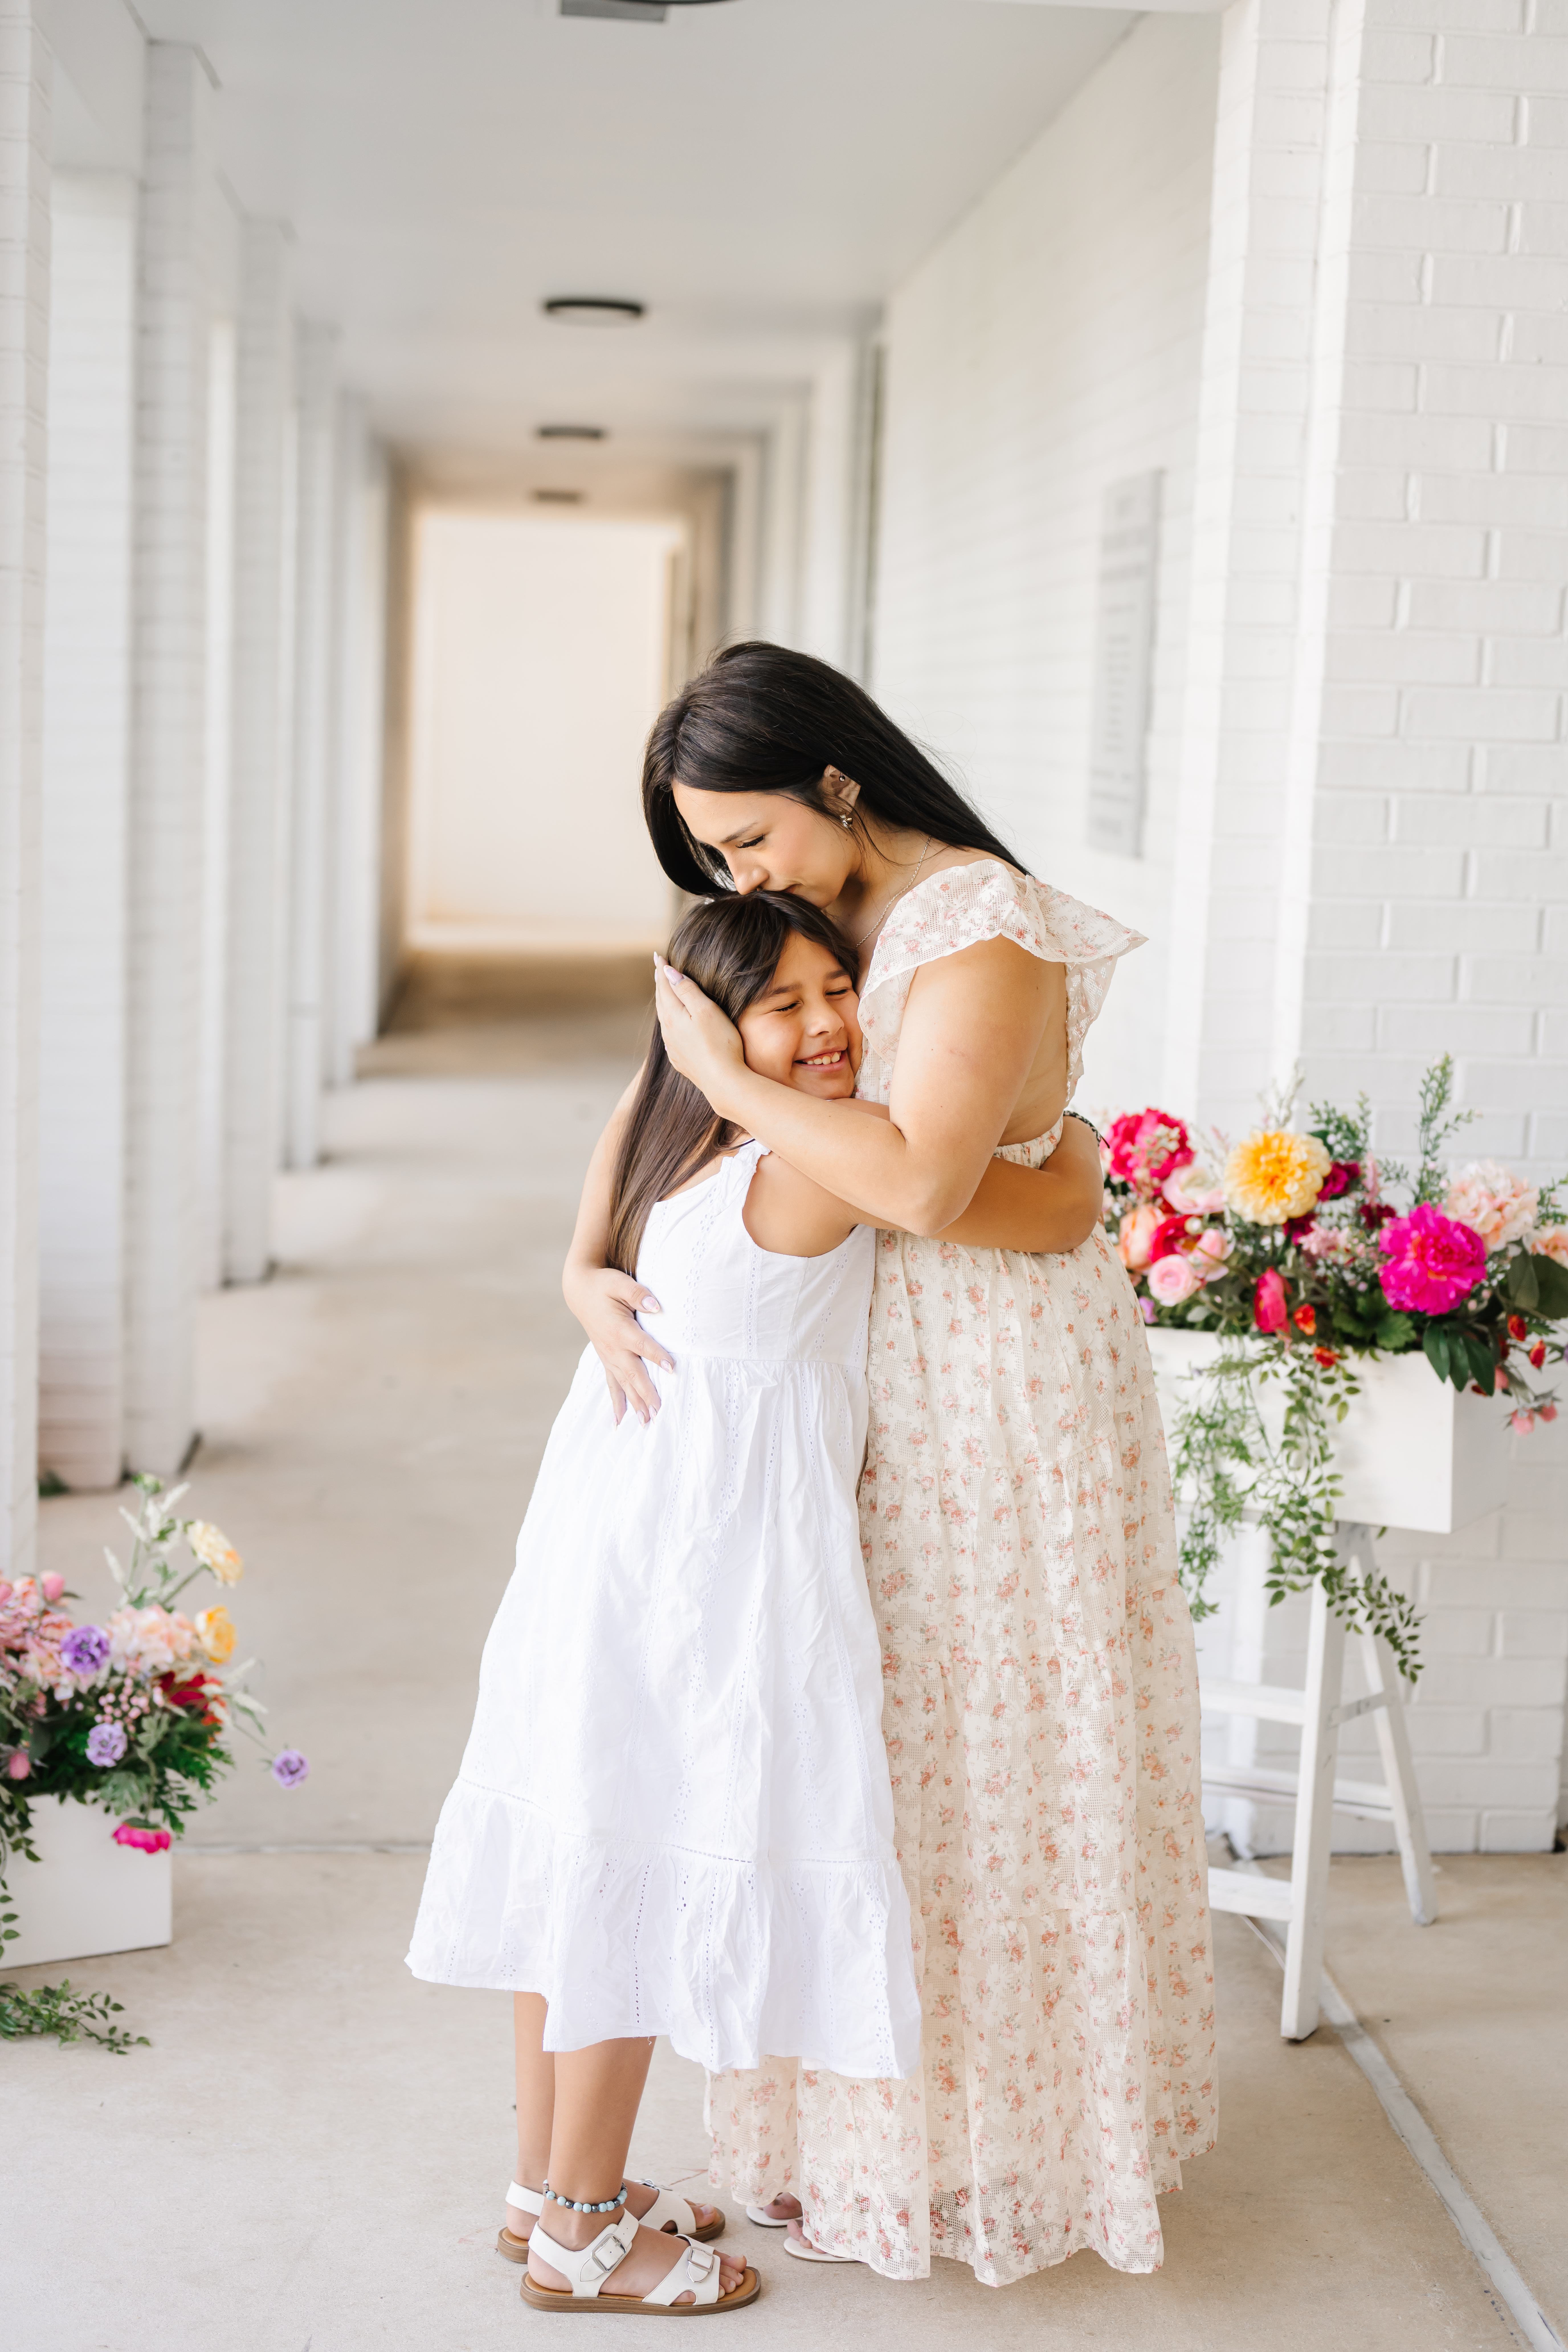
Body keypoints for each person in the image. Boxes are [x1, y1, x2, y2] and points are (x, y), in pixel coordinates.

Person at [576, 643, 1215, 2290]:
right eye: (716, 861)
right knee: (879, 1756)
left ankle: (991, 2149)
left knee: (982, 1763)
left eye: (747, 839)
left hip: (990, 1389)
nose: (742, 877)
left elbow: (923, 1187)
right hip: (863, 1365)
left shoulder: (974, 923)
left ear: (837, 779)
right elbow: (705, 1106)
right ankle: (866, 2139)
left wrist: (735, 1078)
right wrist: (586, 1261)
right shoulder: (841, 923)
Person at [406, 886, 1102, 2317]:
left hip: (612, 1538)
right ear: (711, 1033)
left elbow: (600, 1206)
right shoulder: (808, 1162)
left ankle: (546, 2189)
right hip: (704, 1572)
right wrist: (1080, 1150)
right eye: (779, 1007)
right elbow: (1041, 1214)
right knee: (643, 1865)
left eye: (838, 991)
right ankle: (587, 2235)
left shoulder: (674, 1137)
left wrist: (684, 1107)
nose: (831, 1027)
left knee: (583, 1849)